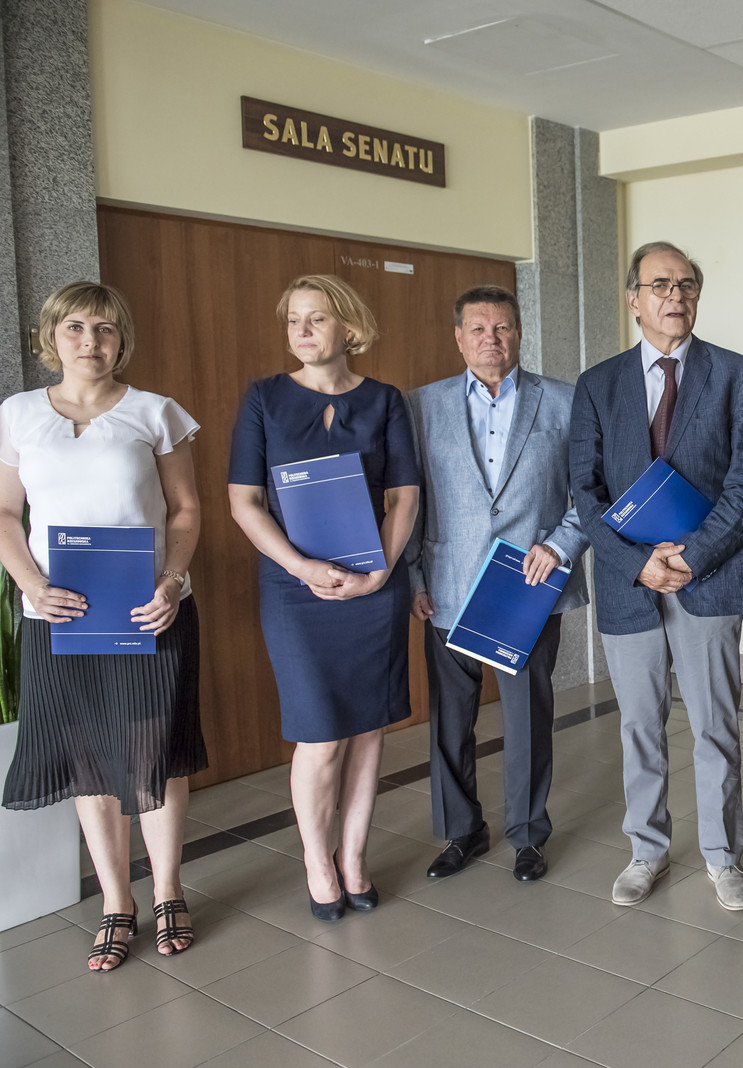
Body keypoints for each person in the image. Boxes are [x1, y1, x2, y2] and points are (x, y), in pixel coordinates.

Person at [0, 282, 205, 970]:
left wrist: (172, 580)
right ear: (51, 336)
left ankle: (168, 889)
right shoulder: (18, 414)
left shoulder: (156, 412)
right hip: (58, 614)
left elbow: (185, 509)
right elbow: (4, 514)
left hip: (151, 608)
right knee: (86, 753)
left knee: (155, 750)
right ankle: (117, 901)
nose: (91, 341)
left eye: (106, 329)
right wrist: (31, 584)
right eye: (76, 327)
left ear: (123, 340)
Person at [569, 241, 743, 911]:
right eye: (659, 285)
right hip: (630, 581)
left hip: (708, 576)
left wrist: (691, 555)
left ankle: (722, 855)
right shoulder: (598, 384)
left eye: (686, 284)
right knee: (639, 726)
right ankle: (646, 850)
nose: (674, 296)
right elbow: (585, 492)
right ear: (634, 299)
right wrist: (639, 562)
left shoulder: (734, 373)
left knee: (715, 725)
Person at [227, 274, 420, 922]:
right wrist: (300, 566)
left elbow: (404, 496)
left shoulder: (385, 400)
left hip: (373, 584)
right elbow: (244, 502)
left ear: (349, 327)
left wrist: (382, 573)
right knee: (319, 734)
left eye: (316, 318)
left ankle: (354, 857)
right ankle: (317, 861)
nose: (302, 331)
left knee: (367, 729)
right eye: (293, 320)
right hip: (295, 590)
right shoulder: (264, 399)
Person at [406, 284, 589, 884]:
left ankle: (528, 835)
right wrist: (412, 574)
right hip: (448, 583)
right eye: (479, 329)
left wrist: (559, 546)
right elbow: (407, 499)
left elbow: (591, 493)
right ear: (458, 338)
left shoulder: (564, 401)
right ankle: (462, 832)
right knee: (450, 720)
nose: (492, 339)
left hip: (526, 585)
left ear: (519, 333)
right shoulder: (420, 405)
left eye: (503, 328)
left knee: (528, 717)